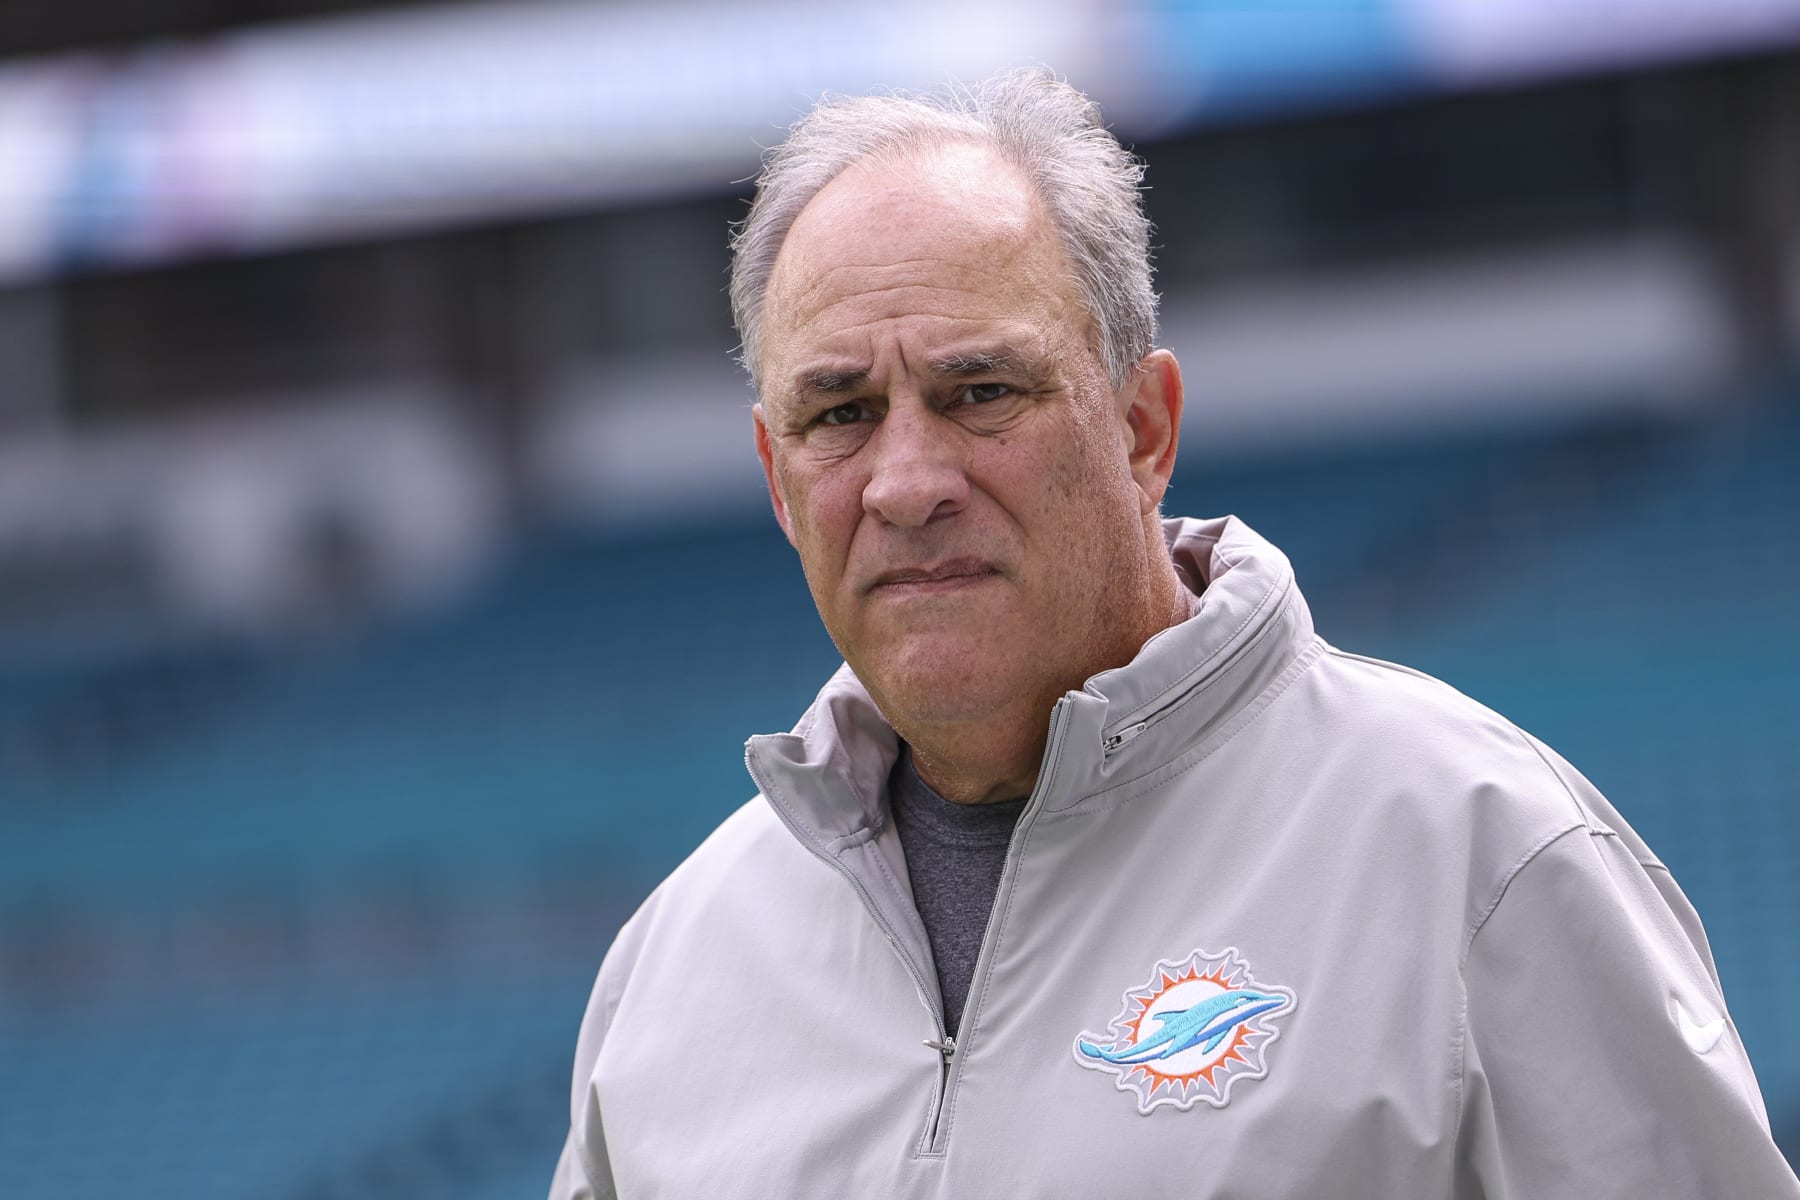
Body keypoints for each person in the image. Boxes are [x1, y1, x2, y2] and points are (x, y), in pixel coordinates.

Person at [549, 69, 1799, 1199]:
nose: (906, 480)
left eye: (981, 391)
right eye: (841, 412)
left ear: (1143, 428)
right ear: (778, 479)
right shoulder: (669, 972)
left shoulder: (1478, 850)